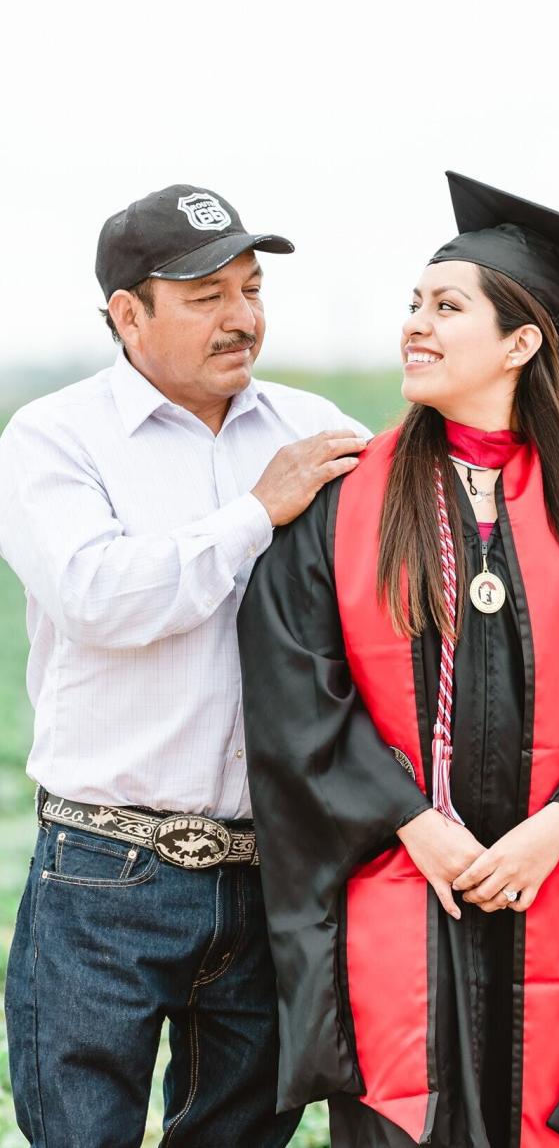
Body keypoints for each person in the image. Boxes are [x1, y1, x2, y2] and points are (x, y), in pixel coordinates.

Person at [237, 172, 559, 1148]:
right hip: (399, 889)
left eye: (447, 306)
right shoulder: (345, 501)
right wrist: (412, 820)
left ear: (522, 342)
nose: (416, 324)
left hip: (555, 887)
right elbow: (291, 689)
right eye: (413, 304)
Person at [1, 184, 370, 1148]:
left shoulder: (311, 424)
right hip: (105, 870)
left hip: (271, 868)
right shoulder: (53, 438)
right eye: (207, 296)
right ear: (129, 314)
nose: (242, 318)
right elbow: (98, 596)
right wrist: (258, 513)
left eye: (251, 289)